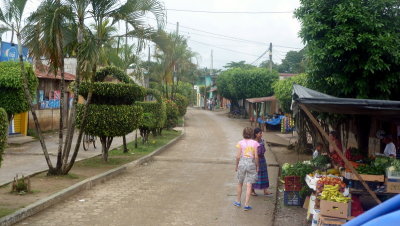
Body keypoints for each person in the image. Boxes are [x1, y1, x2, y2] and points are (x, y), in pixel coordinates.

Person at [234, 127, 260, 211]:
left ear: (243, 133)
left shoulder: (240, 143)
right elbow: (256, 156)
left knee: (240, 183)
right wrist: (257, 166)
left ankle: (238, 201)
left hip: (242, 163)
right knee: (249, 185)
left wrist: (236, 165)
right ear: (252, 134)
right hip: (251, 163)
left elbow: (238, 156)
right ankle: (246, 204)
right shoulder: (255, 143)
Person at [251, 127, 273, 196]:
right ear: (256, 134)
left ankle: (265, 190)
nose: (261, 134)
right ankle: (252, 190)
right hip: (255, 160)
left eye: (261, 133)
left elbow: (264, 150)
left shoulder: (262, 141)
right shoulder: (253, 142)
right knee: (255, 175)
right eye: (260, 133)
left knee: (264, 174)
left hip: (262, 160)